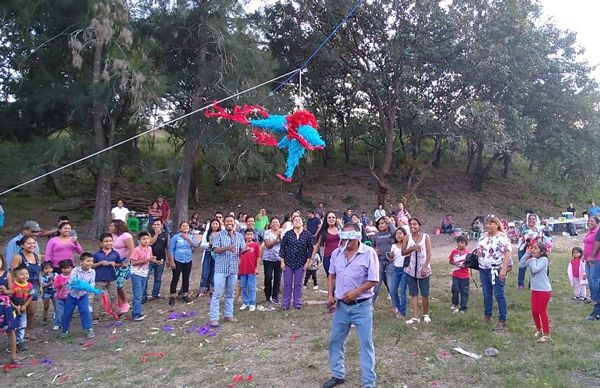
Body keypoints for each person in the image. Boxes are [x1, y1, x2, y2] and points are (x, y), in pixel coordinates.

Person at [324, 223, 379, 388]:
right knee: (335, 340)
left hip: (361, 306)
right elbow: (331, 276)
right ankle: (338, 375)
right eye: (344, 236)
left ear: (357, 236)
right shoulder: (336, 253)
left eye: (350, 236)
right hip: (341, 307)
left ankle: (369, 382)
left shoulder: (369, 253)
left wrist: (355, 292)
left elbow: (373, 280)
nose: (346, 240)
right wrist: (330, 295)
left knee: (365, 343)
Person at [476, 215, 512, 332]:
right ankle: (488, 315)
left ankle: (502, 319)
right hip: (483, 268)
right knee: (486, 294)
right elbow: (479, 249)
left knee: (498, 293)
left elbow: (507, 253)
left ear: (497, 224)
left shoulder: (502, 237)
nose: (488, 225)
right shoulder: (483, 236)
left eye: (491, 223)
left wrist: (503, 269)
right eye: (487, 223)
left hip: (496, 269)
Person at [209, 215, 245, 327]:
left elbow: (241, 249)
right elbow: (215, 249)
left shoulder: (239, 236)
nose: (229, 223)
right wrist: (226, 248)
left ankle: (228, 314)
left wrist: (245, 250)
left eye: (231, 221)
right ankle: (214, 318)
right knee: (217, 294)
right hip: (221, 269)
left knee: (230, 294)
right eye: (227, 221)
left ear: (234, 223)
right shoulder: (219, 235)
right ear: (224, 223)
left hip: (233, 269)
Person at [519, 241, 552, 342]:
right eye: (532, 248)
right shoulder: (532, 259)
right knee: (534, 311)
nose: (533, 249)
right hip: (535, 289)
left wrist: (532, 259)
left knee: (541, 311)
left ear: (541, 252)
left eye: (535, 248)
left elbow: (535, 269)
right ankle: (539, 330)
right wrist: (527, 254)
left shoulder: (544, 259)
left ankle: (546, 334)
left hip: (544, 290)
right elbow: (521, 265)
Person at [10, 236, 42, 339]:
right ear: (22, 245)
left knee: (31, 311)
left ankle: (26, 332)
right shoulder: (18, 257)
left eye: (33, 243)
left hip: (34, 286)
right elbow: (13, 274)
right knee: (19, 310)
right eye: (29, 243)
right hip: (20, 286)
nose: (32, 245)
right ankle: (15, 333)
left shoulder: (38, 256)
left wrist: (41, 285)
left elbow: (39, 273)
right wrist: (14, 289)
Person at [402, 218, 433, 324]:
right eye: (410, 224)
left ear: (419, 225)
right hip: (410, 269)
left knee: (425, 293)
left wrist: (425, 267)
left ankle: (425, 314)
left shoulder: (425, 237)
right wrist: (412, 248)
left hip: (423, 270)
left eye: (414, 224)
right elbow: (403, 252)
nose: (412, 226)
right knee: (413, 293)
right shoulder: (407, 237)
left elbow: (429, 253)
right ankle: (415, 316)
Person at [280, 215, 313, 310]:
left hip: (301, 263)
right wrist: (282, 262)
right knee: (287, 283)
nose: (297, 221)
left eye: (299, 220)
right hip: (288, 262)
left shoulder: (307, 234)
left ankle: (297, 302)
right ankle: (285, 303)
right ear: (292, 222)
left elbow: (310, 250)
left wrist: (307, 263)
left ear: (302, 223)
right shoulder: (288, 234)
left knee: (298, 284)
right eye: (295, 220)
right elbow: (282, 248)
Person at [60, 253, 96, 340]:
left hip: (83, 295)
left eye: (91, 261)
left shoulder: (92, 271)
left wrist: (90, 287)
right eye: (88, 261)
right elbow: (73, 281)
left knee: (85, 311)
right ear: (81, 262)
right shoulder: (75, 271)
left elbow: (92, 282)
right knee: (67, 312)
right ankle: (65, 330)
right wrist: (82, 285)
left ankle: (88, 329)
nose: (90, 263)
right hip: (72, 295)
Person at [168, 222, 199, 307]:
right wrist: (171, 261)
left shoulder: (191, 236)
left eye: (186, 226)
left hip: (188, 260)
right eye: (183, 226)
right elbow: (171, 249)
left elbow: (195, 245)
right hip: (177, 259)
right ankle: (172, 295)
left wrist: (187, 238)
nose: (185, 227)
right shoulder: (176, 237)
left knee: (186, 278)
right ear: (180, 228)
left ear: (189, 228)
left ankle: (184, 294)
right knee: (175, 277)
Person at [92, 233, 121, 319]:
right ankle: (95, 315)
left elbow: (119, 264)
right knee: (97, 297)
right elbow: (91, 265)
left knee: (114, 296)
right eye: (106, 241)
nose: (108, 243)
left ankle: (115, 313)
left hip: (112, 279)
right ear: (101, 243)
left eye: (110, 241)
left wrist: (115, 264)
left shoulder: (115, 253)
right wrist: (100, 263)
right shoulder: (96, 254)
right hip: (99, 279)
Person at [130, 231, 156, 321]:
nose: (146, 241)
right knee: (138, 294)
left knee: (140, 293)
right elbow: (133, 262)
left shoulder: (149, 248)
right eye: (143, 239)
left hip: (145, 273)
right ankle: (136, 314)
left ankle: (136, 309)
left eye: (147, 239)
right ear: (139, 240)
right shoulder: (137, 249)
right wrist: (145, 260)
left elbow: (151, 258)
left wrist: (156, 261)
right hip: (136, 273)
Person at [110, 219, 134, 313]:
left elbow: (131, 249)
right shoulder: (111, 236)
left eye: (112, 226)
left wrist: (127, 261)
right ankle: (119, 303)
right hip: (113, 261)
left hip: (124, 261)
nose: (110, 228)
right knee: (114, 283)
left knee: (119, 282)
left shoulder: (126, 236)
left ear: (118, 227)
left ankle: (125, 302)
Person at [372, 216, 396, 307]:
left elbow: (396, 232)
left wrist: (390, 222)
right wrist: (374, 249)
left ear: (387, 224)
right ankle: (371, 305)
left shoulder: (391, 233)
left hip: (390, 262)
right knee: (376, 285)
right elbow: (372, 246)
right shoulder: (376, 235)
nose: (380, 225)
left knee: (391, 284)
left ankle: (395, 306)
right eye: (379, 224)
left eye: (382, 223)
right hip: (379, 262)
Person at [144, 219, 170, 302]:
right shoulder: (149, 234)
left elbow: (167, 248)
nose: (156, 226)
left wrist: (168, 259)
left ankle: (155, 294)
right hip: (149, 260)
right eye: (154, 224)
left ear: (162, 226)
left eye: (158, 224)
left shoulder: (165, 234)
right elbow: (149, 243)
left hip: (161, 259)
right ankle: (143, 296)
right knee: (146, 278)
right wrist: (156, 234)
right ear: (152, 226)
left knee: (158, 278)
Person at [517, 214, 544, 289]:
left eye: (533, 219)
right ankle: (520, 284)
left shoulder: (539, 228)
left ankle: (531, 284)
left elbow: (540, 239)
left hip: (533, 249)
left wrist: (537, 237)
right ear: (527, 220)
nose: (531, 220)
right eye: (530, 219)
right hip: (522, 248)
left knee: (533, 266)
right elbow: (519, 235)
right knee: (522, 266)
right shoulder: (523, 227)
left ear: (536, 220)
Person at [312, 212, 341, 278]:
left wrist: (341, 224)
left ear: (336, 219)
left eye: (333, 217)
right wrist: (312, 258)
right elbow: (317, 245)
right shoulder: (323, 231)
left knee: (340, 278)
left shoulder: (340, 230)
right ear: (326, 219)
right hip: (328, 258)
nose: (331, 219)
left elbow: (348, 237)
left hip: (340, 257)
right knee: (330, 278)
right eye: (329, 217)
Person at [0, 254, 17, 363]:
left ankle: (13, 356)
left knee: (10, 330)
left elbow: (12, 291)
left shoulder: (7, 275)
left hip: (5, 306)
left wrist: (6, 291)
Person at [388, 227, 409, 318]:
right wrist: (391, 256)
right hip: (396, 269)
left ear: (405, 235)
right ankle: (398, 307)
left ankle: (402, 312)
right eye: (397, 234)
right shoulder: (393, 246)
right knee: (392, 290)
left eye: (400, 233)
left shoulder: (408, 245)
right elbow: (392, 258)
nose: (398, 235)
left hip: (405, 270)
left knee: (403, 291)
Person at [10, 267, 32, 352]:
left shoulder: (29, 285)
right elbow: (8, 298)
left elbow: (31, 296)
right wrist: (14, 306)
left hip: (23, 309)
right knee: (13, 327)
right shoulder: (13, 285)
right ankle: (12, 343)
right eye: (21, 274)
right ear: (16, 276)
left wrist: (25, 305)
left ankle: (20, 342)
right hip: (12, 310)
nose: (24, 276)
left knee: (22, 326)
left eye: (26, 274)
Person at [198, 219, 221, 297]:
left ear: (219, 225)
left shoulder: (221, 233)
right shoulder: (207, 233)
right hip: (208, 252)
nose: (215, 225)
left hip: (217, 253)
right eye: (213, 224)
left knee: (214, 272)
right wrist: (209, 244)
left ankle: (212, 289)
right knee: (205, 271)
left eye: (216, 224)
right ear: (211, 225)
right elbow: (202, 245)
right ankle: (202, 289)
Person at [263, 218, 283, 306]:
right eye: (273, 222)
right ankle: (267, 295)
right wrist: (276, 238)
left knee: (277, 278)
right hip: (268, 259)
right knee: (268, 277)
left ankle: (275, 296)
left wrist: (280, 236)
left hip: (279, 259)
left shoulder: (283, 232)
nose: (275, 224)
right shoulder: (267, 232)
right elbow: (268, 246)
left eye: (277, 222)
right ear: (270, 224)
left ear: (279, 224)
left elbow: (285, 244)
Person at [239, 229, 260, 312]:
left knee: (251, 287)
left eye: (251, 234)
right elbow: (239, 257)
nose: (249, 236)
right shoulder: (242, 245)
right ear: (245, 235)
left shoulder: (255, 245)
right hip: (243, 269)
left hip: (251, 269)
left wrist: (257, 268)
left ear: (253, 236)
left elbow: (258, 257)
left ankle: (252, 303)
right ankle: (245, 302)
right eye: (247, 234)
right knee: (243, 286)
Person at [583, 216, 600, 320]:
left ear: (597, 223)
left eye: (592, 221)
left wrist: (592, 257)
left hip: (595, 260)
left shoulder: (597, 232)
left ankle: (596, 305)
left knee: (595, 282)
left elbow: (597, 244)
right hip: (588, 260)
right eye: (588, 221)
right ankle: (594, 300)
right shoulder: (590, 232)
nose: (589, 222)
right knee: (591, 281)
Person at [449, 235, 470, 313]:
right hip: (456, 275)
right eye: (458, 242)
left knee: (464, 292)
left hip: (465, 275)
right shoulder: (454, 252)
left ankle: (463, 307)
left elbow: (471, 263)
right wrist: (455, 263)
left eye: (462, 242)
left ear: (466, 244)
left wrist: (465, 265)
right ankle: (454, 303)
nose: (460, 244)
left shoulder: (468, 253)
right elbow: (450, 261)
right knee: (455, 289)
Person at [52, 260, 73, 331]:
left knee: (68, 311)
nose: (66, 270)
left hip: (70, 297)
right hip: (59, 297)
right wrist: (60, 285)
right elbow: (55, 286)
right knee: (59, 311)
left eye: (68, 268)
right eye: (64, 268)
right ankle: (57, 323)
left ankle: (66, 323)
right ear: (61, 269)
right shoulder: (58, 277)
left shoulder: (72, 276)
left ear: (71, 268)